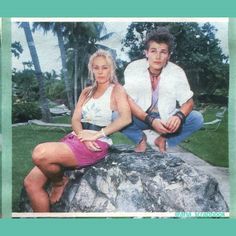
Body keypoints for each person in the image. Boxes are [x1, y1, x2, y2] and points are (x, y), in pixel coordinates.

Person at [24, 49, 131, 212]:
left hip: (97, 143)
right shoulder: (87, 91)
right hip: (77, 138)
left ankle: (59, 182)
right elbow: (75, 119)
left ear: (111, 68)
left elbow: (126, 118)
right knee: (31, 183)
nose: (100, 72)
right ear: (92, 69)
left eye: (105, 67)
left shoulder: (117, 90)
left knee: (40, 153)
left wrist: (96, 135)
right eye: (96, 67)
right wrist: (83, 136)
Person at [122, 27, 204, 153]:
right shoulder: (133, 68)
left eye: (163, 52)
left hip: (165, 117)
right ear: (146, 53)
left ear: (169, 55)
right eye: (153, 51)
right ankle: (140, 139)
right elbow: (128, 100)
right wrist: (150, 120)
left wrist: (179, 116)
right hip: (141, 117)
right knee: (116, 115)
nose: (158, 56)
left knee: (197, 118)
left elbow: (189, 102)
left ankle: (164, 139)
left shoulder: (177, 72)